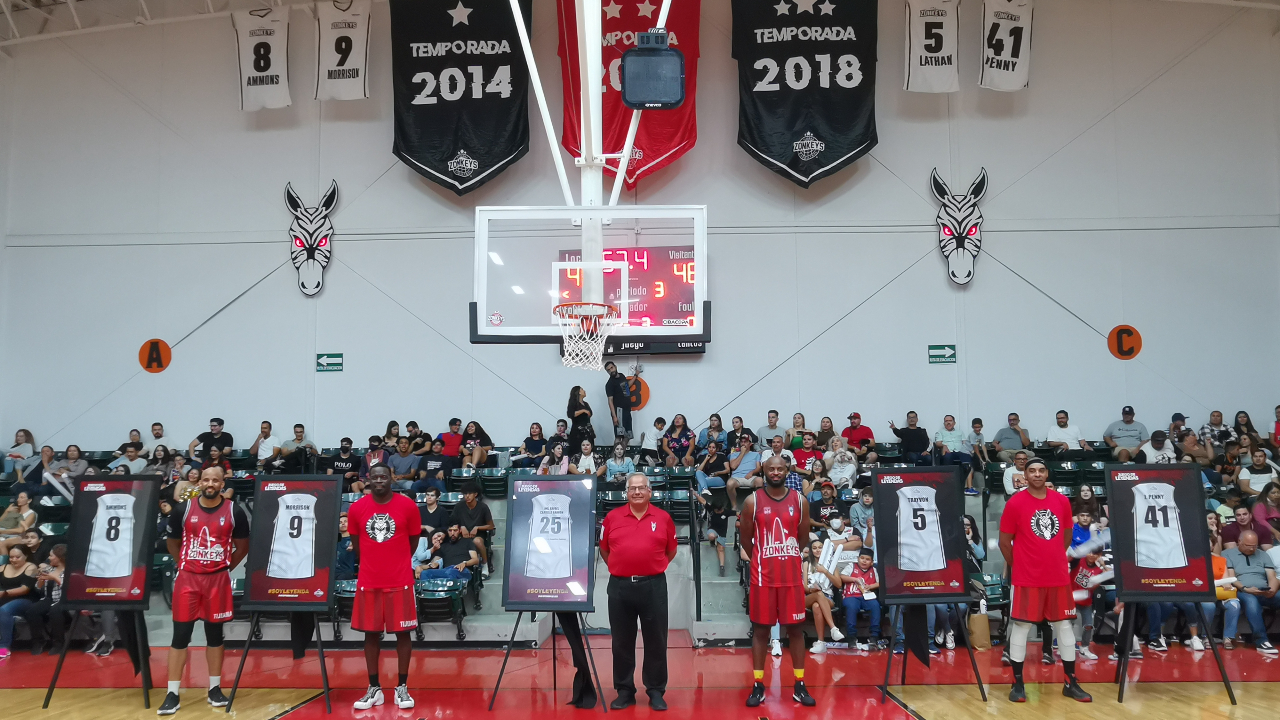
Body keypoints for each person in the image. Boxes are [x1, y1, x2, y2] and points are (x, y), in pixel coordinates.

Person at [998, 457, 1092, 703]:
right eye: (1032, 471)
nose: (1037, 474)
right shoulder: (1015, 503)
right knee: (1021, 626)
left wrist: (1051, 559)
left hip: (1057, 576)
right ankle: (1018, 685)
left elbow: (1066, 537)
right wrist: (1021, 564)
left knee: (1064, 626)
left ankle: (1070, 682)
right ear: (1025, 475)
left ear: (1047, 473)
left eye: (1041, 470)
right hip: (1027, 577)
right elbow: (1004, 543)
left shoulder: (1061, 501)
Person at [159, 466, 250, 715]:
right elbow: (172, 542)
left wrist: (224, 567)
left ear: (223, 484)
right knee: (181, 635)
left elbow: (242, 547)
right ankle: (172, 692)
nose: (210, 483)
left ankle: (214, 688)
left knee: (215, 636)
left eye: (215, 480)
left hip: (217, 581)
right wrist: (184, 564)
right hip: (189, 579)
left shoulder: (234, 511)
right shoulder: (183, 509)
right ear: (199, 482)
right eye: (206, 479)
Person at [741, 457, 816, 707]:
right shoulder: (752, 501)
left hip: (791, 578)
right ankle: (758, 684)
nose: (775, 472)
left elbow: (802, 538)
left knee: (795, 630)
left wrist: (785, 555)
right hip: (763, 578)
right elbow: (745, 541)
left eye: (780, 469)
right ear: (764, 470)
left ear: (787, 471)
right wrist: (765, 558)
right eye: (771, 468)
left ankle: (799, 684)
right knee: (761, 630)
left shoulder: (800, 501)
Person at [599, 472, 678, 710]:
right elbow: (604, 551)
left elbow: (670, 551)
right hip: (620, 587)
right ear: (626, 492)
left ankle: (655, 690)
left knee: (656, 640)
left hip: (653, 586)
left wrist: (651, 566)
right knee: (621, 642)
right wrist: (622, 566)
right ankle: (624, 690)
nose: (636, 492)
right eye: (632, 488)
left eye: (642, 488)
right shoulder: (612, 518)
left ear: (649, 491)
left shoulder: (663, 518)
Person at [346, 464, 421, 709]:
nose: (379, 481)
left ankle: (402, 687)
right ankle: (374, 688)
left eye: (384, 477)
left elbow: (412, 542)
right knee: (370, 633)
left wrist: (395, 562)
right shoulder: (357, 508)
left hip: (399, 579)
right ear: (369, 479)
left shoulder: (407, 505)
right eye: (375, 477)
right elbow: (357, 546)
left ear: (391, 479)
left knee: (403, 633)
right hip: (369, 579)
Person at [1222, 530, 1279, 655]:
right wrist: (1245, 588)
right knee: (1251, 601)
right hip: (1242, 590)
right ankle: (1261, 640)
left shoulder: (1263, 554)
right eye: (1248, 546)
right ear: (1239, 542)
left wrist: (1272, 588)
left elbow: (1272, 576)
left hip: (1264, 590)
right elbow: (1231, 578)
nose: (1252, 548)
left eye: (1255, 545)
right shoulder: (1227, 554)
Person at [23, 543, 68, 655]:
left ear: (60, 558)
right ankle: (38, 641)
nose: (49, 558)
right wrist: (40, 582)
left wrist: (54, 577)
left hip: (63, 599)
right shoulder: (48, 569)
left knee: (55, 611)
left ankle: (58, 644)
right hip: (48, 598)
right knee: (32, 611)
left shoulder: (70, 571)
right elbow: (38, 588)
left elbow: (69, 589)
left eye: (51, 556)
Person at [802, 538, 844, 653]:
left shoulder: (832, 564)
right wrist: (812, 590)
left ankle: (821, 642)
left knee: (817, 606)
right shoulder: (806, 563)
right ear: (811, 550)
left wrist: (825, 571)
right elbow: (804, 587)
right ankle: (833, 628)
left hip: (827, 597)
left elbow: (838, 584)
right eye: (814, 548)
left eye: (820, 547)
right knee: (817, 596)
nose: (817, 550)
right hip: (810, 595)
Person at [0, 544, 38, 659]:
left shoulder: (31, 568)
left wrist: (4, 593)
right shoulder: (3, 567)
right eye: (11, 557)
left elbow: (25, 589)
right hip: (4, 598)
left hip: (25, 600)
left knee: (4, 610)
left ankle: (4, 646)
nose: (13, 560)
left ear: (25, 556)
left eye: (17, 557)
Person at [451, 481, 495, 577]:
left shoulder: (483, 507)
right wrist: (461, 527)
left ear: (475, 494)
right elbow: (452, 523)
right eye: (465, 494)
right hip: (462, 536)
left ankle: (484, 564)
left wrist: (477, 527)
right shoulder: (459, 506)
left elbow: (491, 526)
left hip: (479, 535)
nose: (467, 496)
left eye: (470, 493)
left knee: (477, 541)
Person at [840, 548, 882, 651]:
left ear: (872, 562)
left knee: (875, 606)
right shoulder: (851, 566)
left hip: (867, 596)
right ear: (858, 559)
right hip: (852, 595)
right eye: (862, 558)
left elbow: (880, 583)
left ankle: (874, 636)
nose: (864, 561)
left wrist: (871, 586)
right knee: (851, 607)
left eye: (867, 559)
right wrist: (854, 579)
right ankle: (851, 637)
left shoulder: (874, 570)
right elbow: (842, 577)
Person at [726, 433, 763, 507]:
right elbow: (733, 467)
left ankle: (759, 505)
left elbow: (758, 468)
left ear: (750, 444)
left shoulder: (755, 454)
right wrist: (742, 453)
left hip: (751, 477)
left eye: (745, 442)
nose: (743, 443)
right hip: (736, 478)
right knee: (729, 484)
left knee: (760, 481)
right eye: (741, 442)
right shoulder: (734, 454)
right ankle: (734, 506)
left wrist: (752, 472)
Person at [603, 361, 636, 439]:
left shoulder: (621, 376)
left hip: (627, 410)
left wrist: (636, 375)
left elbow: (626, 387)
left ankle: (622, 451)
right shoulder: (609, 384)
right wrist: (614, 416)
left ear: (615, 366)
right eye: (608, 370)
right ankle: (616, 451)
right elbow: (610, 401)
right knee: (619, 436)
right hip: (619, 411)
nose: (611, 370)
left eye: (612, 368)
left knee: (628, 435)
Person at [705, 500, 734, 576]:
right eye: (718, 510)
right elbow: (703, 501)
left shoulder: (726, 512)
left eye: (721, 510)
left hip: (722, 533)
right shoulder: (710, 509)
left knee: (720, 548)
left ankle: (722, 567)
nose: (720, 511)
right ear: (714, 509)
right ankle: (712, 540)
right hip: (713, 530)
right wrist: (695, 494)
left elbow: (738, 514)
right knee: (711, 536)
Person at [335, 512, 356, 581]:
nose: (343, 523)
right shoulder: (334, 540)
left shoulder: (354, 539)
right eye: (340, 522)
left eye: (345, 521)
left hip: (346, 574)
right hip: (333, 573)